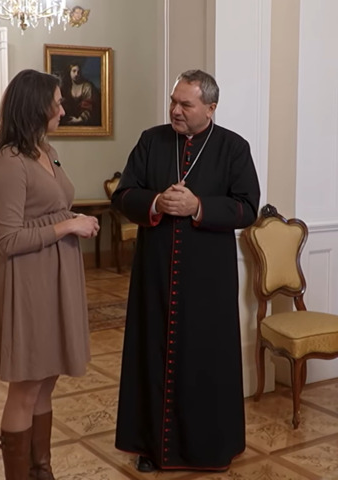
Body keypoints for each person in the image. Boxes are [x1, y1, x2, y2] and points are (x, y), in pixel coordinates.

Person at [112, 69, 261, 472]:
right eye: (173, 102)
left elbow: (248, 207)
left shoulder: (233, 148)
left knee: (205, 362)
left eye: (186, 104)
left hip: (208, 280)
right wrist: (156, 202)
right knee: (152, 357)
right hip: (155, 275)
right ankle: (149, 447)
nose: (175, 110)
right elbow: (123, 195)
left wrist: (199, 206)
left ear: (210, 108)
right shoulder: (151, 141)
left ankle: (209, 449)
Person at [0, 69, 99, 479]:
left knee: (47, 379)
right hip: (29, 282)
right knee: (27, 384)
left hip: (57, 277)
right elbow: (9, 240)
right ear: (37, 107)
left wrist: (74, 219)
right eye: (57, 103)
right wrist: (68, 225)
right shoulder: (9, 162)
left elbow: (51, 207)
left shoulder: (46, 151)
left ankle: (41, 470)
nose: (63, 110)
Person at [60, 62, 101, 126]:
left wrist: (80, 119)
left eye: (78, 72)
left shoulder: (87, 87)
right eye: (74, 71)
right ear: (69, 72)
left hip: (85, 122)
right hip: (68, 120)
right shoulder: (66, 87)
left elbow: (89, 106)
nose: (76, 74)